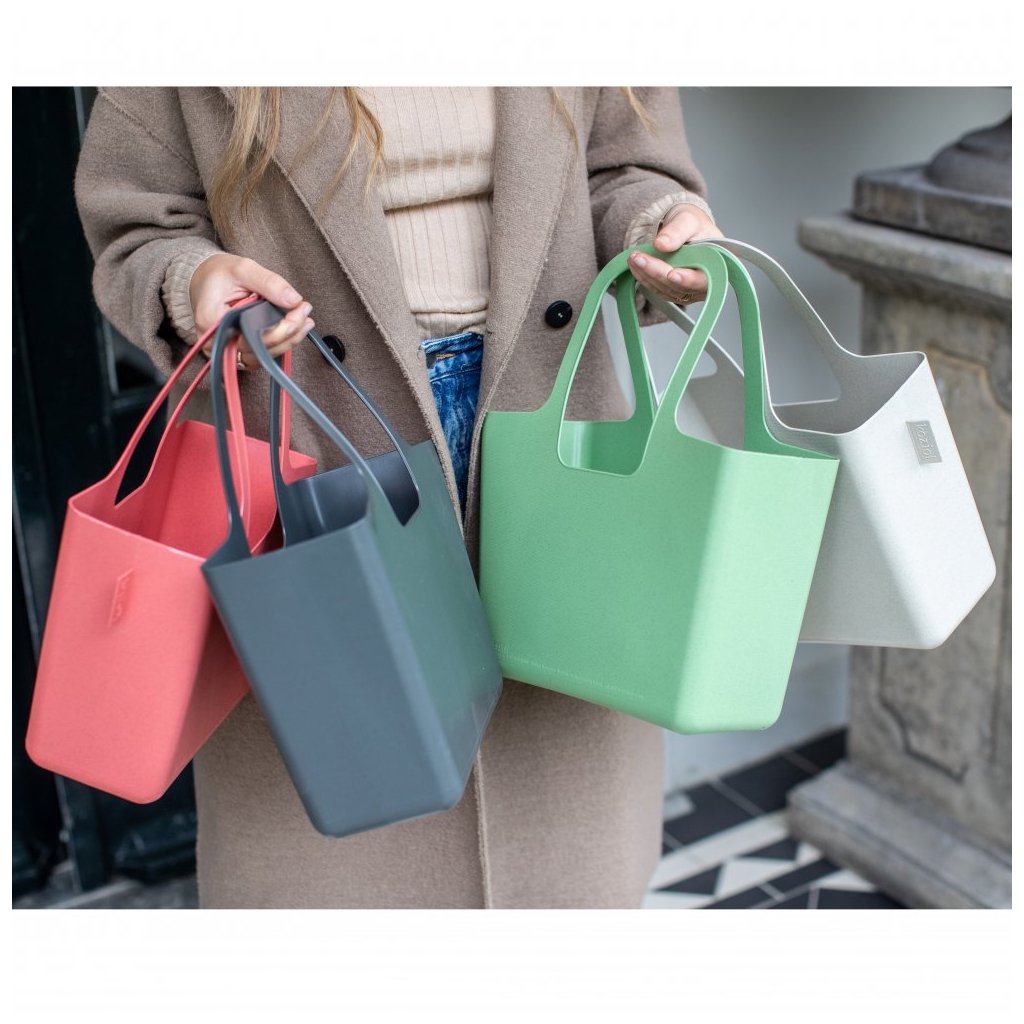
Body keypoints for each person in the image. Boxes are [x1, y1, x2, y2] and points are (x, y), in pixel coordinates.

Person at [75, 86, 723, 909]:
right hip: (313, 439)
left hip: (547, 423)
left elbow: (625, 170)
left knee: (568, 863)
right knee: (336, 857)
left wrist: (661, 228)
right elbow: (139, 224)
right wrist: (194, 279)